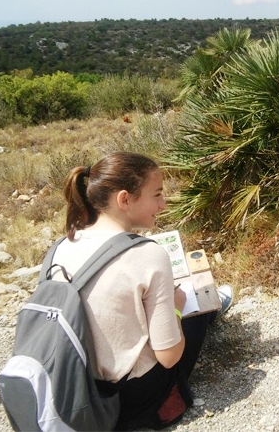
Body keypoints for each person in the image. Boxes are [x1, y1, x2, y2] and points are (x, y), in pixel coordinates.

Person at [51, 152, 233, 430]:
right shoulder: (147, 254)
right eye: (157, 194)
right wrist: (175, 308)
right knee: (191, 309)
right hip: (128, 399)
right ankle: (211, 309)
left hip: (77, 388)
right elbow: (168, 357)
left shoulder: (60, 247)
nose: (163, 204)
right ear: (124, 199)